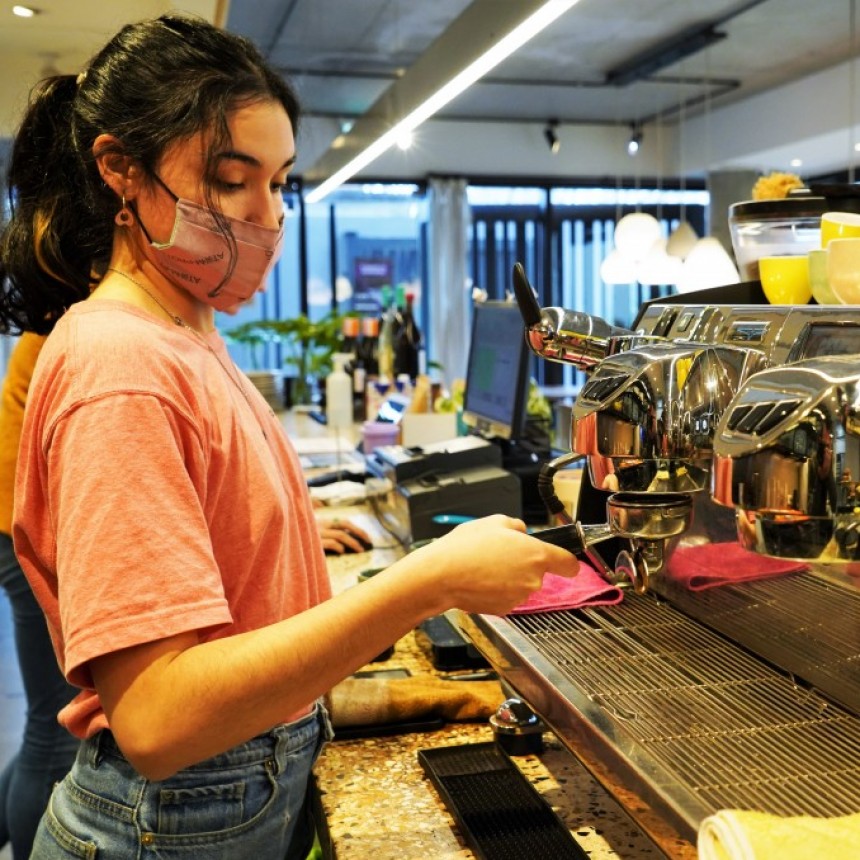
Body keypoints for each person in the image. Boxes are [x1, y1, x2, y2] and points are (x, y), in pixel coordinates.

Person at [0, 14, 579, 859]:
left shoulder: (187, 331)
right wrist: (428, 582)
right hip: (169, 821)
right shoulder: (119, 362)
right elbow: (159, 719)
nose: (268, 217)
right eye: (232, 181)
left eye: (279, 184)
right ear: (121, 170)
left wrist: (271, 531)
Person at [0, 333, 79, 859]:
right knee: (53, 730)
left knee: (45, 722)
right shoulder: (74, 319)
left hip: (21, 522)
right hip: (29, 529)